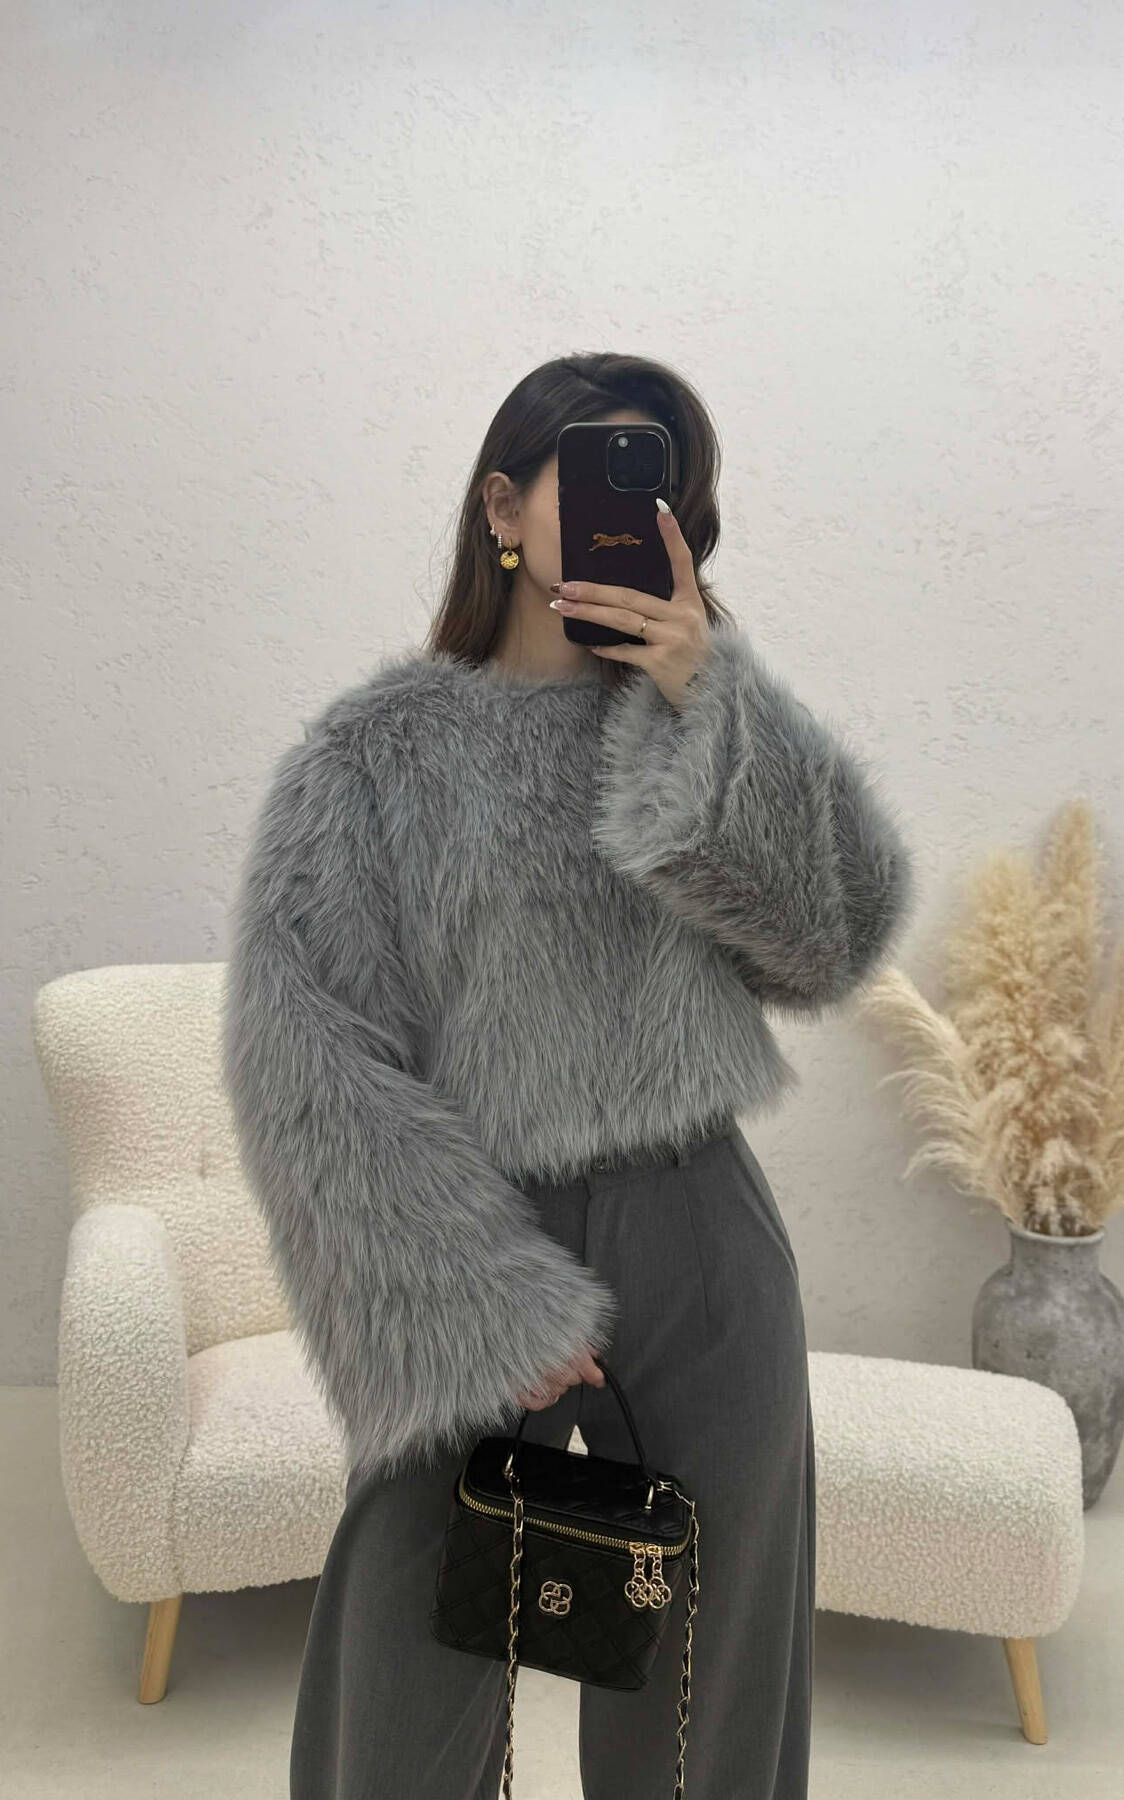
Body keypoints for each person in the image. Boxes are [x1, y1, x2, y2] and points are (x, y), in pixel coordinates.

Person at [221, 351, 916, 1799]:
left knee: (712, 1677)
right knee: (405, 1670)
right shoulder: (374, 758)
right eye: (600, 471)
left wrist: (715, 703)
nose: (638, 510)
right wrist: (476, 1303)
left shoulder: (698, 718)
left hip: (701, 1227)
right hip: (474, 1232)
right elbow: (308, 1056)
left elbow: (830, 943)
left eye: (666, 487)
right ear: (503, 508)